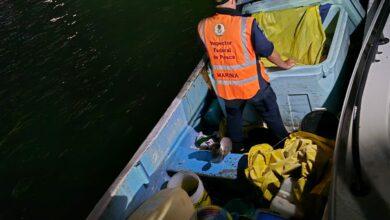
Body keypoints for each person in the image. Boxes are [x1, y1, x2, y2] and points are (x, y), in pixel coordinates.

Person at [197, 0, 295, 151]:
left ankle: (237, 148)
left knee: (233, 117)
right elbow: (267, 50)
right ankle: (283, 143)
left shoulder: (202, 25)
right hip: (253, 85)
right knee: (270, 112)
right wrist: (284, 64)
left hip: (227, 86)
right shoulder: (246, 23)